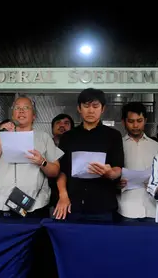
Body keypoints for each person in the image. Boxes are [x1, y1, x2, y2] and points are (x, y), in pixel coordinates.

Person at [0, 95, 63, 218]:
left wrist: (42, 162)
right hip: (3, 203)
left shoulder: (44, 137)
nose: (21, 111)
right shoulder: (1, 135)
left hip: (36, 204)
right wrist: (2, 137)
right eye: (17, 108)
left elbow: (55, 171)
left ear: (34, 116)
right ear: (12, 115)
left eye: (26, 108)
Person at [54, 88, 124, 222]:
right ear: (79, 109)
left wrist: (109, 173)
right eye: (86, 106)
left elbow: (118, 169)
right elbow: (62, 171)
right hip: (73, 204)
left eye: (95, 106)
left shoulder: (113, 135)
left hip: (103, 205)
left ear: (102, 109)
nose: (90, 110)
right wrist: (63, 196)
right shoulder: (68, 137)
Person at [117, 102, 158, 222]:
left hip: (153, 207)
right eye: (131, 121)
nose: (136, 125)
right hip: (126, 208)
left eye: (139, 120)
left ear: (145, 120)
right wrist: (116, 183)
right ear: (123, 122)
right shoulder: (117, 146)